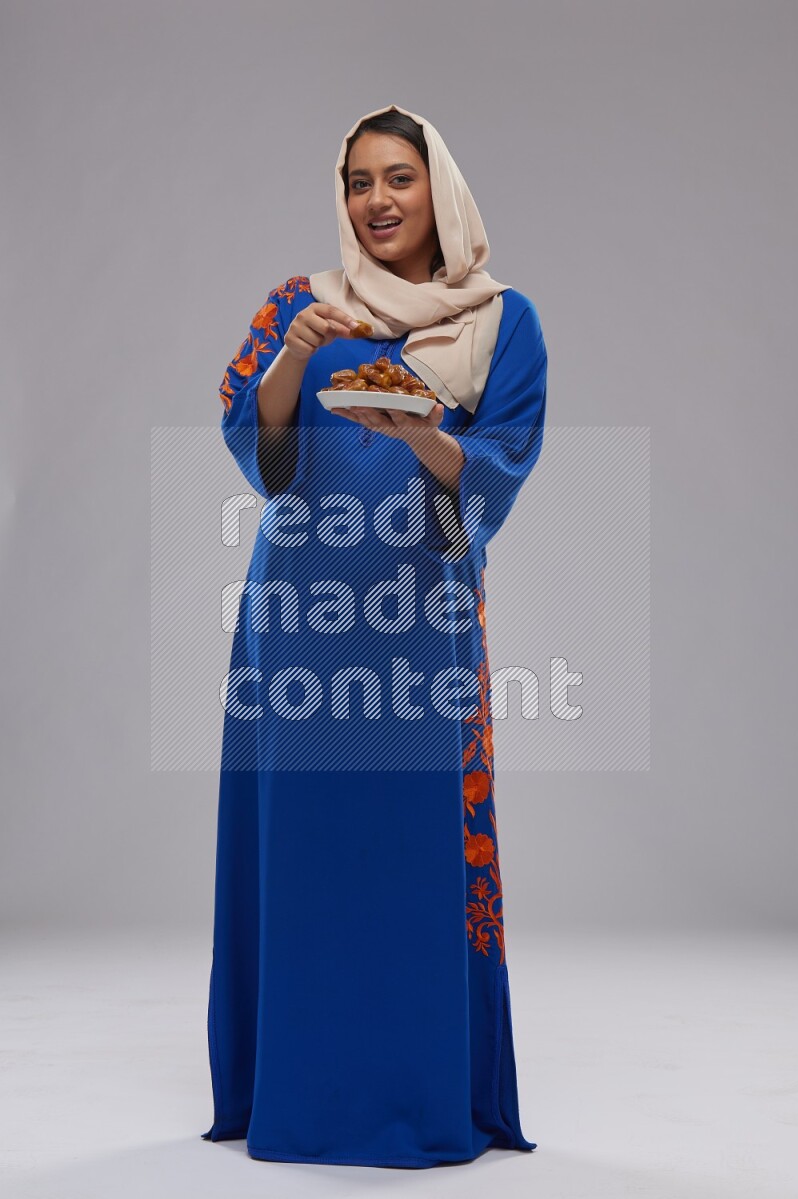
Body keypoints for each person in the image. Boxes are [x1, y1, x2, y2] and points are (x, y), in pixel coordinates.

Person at [202, 102, 548, 1168]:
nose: (377, 199)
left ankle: (417, 1089)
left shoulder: (500, 321)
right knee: (303, 848)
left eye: (397, 177)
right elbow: (262, 463)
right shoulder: (297, 308)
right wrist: (287, 367)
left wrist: (422, 433)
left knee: (409, 849)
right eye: (358, 181)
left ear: (436, 187)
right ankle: (296, 1094)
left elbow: (488, 485)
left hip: (421, 622)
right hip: (298, 620)